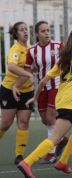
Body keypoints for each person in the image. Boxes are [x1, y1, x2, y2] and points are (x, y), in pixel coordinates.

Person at [17, 28, 72, 178]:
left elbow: (44, 79)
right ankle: (27, 162)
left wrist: (36, 97)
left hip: (63, 100)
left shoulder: (65, 58)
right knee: (54, 138)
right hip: (70, 103)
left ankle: (63, 162)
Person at [13, 21, 68, 163]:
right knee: (45, 120)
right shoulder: (32, 51)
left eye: (48, 30)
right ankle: (61, 138)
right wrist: (16, 86)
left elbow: (68, 62)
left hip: (57, 86)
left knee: (50, 118)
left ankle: (51, 152)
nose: (47, 33)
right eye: (43, 31)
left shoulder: (58, 46)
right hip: (41, 88)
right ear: (37, 34)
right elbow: (27, 71)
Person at [0, 22, 34, 165]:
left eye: (26, 29)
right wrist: (28, 75)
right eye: (22, 30)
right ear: (16, 33)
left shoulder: (32, 49)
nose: (25, 32)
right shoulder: (15, 49)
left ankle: (19, 156)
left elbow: (33, 68)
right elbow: (12, 67)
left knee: (24, 122)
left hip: (26, 91)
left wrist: (30, 76)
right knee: (6, 124)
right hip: (8, 90)